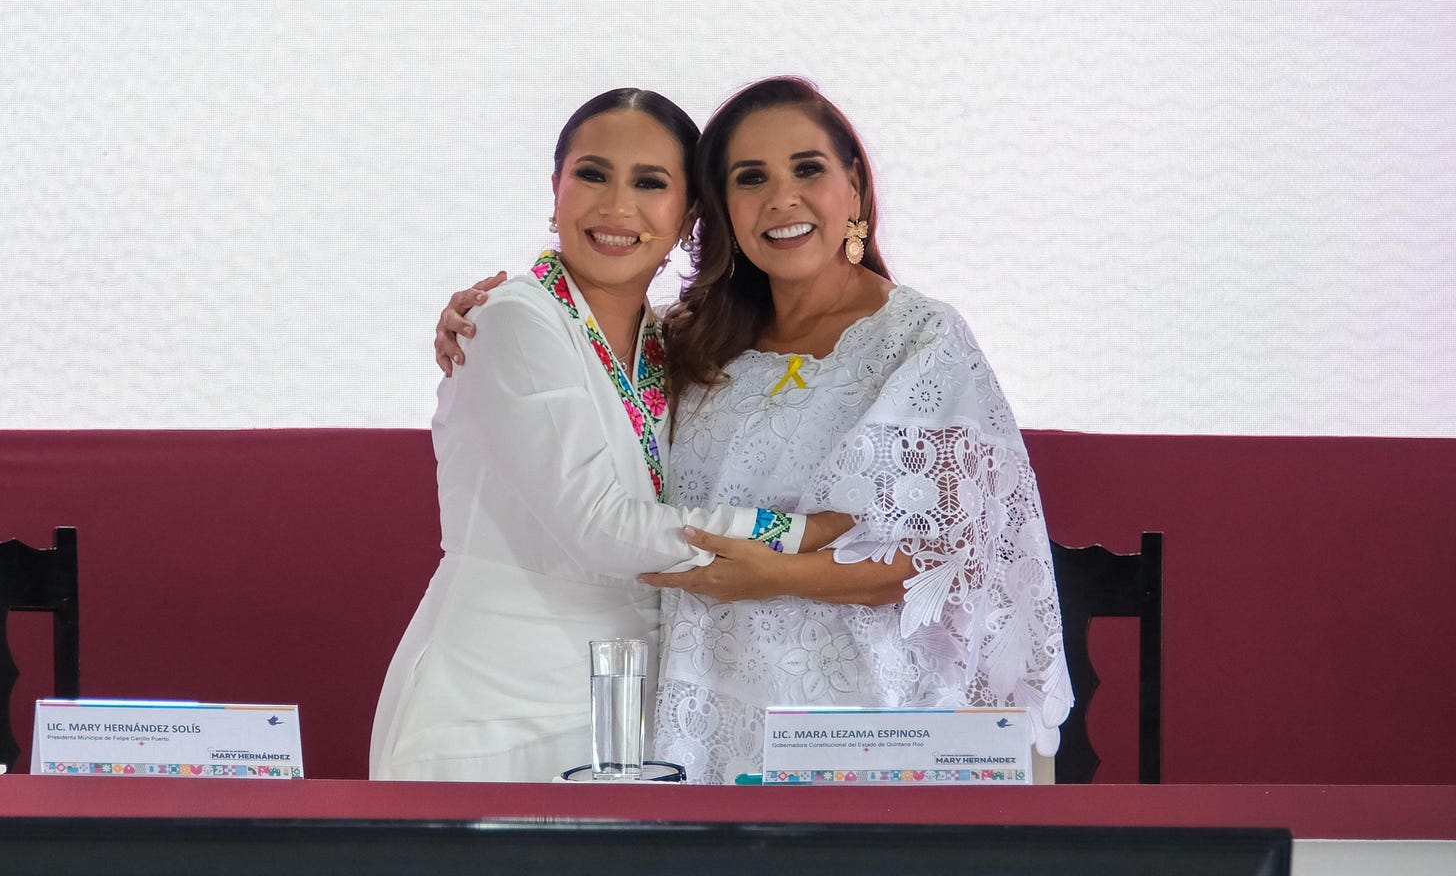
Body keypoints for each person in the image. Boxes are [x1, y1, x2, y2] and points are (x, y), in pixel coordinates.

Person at [436, 78, 1071, 785]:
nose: (781, 199)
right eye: (751, 178)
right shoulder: (692, 342)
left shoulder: (921, 341)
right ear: (719, 210)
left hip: (868, 719)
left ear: (855, 189)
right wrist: (484, 319)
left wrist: (779, 575)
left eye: (807, 169)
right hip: (709, 710)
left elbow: (952, 554)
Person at [371, 88, 848, 783]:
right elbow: (602, 528)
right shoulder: (511, 320)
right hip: (496, 715)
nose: (617, 206)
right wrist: (804, 534)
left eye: (649, 183)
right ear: (555, 190)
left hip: (630, 720)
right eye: (593, 174)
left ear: (689, 216)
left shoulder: (668, 343)